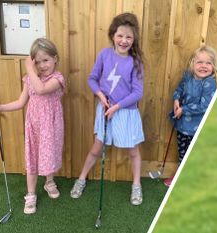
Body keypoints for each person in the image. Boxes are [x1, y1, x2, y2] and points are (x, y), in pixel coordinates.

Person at [70, 12, 145, 206]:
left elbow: (138, 93)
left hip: (125, 113)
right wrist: (101, 96)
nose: (124, 40)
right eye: (120, 35)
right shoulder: (104, 54)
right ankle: (81, 179)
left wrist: (117, 107)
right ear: (113, 34)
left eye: (129, 36)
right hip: (105, 110)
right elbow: (92, 79)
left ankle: (136, 185)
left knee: (133, 150)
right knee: (96, 148)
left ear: (134, 38)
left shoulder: (135, 61)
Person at [0, 38, 65, 214]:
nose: (42, 65)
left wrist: (28, 67)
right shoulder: (30, 80)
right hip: (33, 128)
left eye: (46, 60)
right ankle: (31, 194)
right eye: (38, 61)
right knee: (33, 158)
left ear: (55, 59)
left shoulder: (57, 78)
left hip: (50, 127)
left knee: (48, 154)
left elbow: (41, 89)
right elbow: (21, 102)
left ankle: (49, 182)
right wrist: (1, 107)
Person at [164, 45, 217, 187]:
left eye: (208, 63)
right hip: (182, 125)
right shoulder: (187, 76)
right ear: (193, 64)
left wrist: (184, 109)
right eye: (200, 62)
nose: (204, 66)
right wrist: (177, 100)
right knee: (182, 153)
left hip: (196, 128)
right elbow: (179, 89)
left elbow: (205, 105)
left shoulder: (209, 83)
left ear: (214, 67)